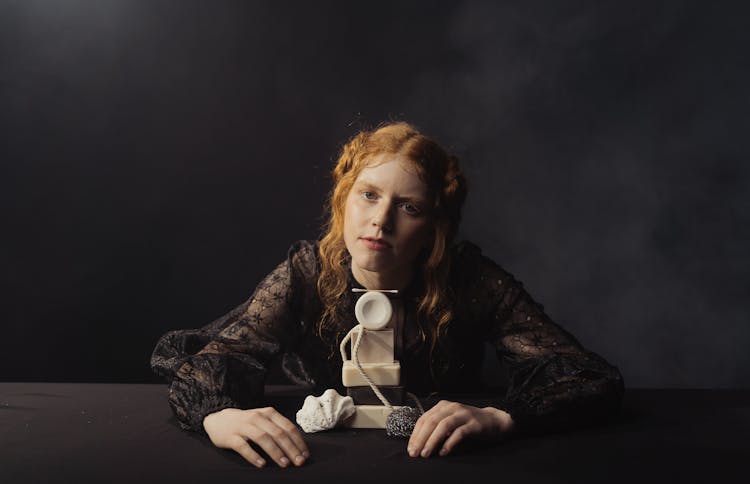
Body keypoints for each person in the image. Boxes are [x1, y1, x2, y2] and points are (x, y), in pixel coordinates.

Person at [150, 121, 625, 469]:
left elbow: (588, 376)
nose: (381, 221)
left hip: (445, 464)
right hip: (325, 462)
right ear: (343, 200)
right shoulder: (307, 272)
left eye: (409, 206)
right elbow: (222, 358)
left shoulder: (471, 279)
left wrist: (502, 417)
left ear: (434, 228)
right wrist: (218, 417)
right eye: (369, 195)